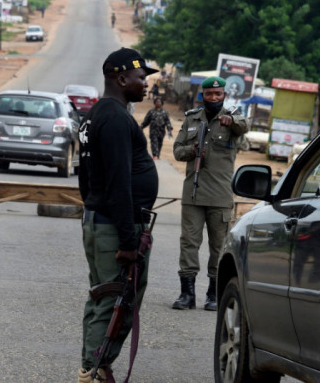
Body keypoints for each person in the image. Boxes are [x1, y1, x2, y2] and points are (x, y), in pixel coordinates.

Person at [77, 47, 159, 382]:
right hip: (115, 227)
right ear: (122, 77)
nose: (145, 85)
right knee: (115, 304)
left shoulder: (100, 114)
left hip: (103, 220)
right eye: (142, 78)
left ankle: (92, 368)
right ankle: (94, 372)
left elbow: (86, 179)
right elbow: (118, 183)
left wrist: (94, 207)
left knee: (102, 298)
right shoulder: (113, 118)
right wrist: (128, 240)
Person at [171, 76, 249, 311]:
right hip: (193, 192)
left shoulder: (233, 118)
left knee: (219, 246)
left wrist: (230, 120)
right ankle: (187, 294)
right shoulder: (192, 119)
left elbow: (244, 126)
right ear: (202, 96)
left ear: (224, 95)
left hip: (220, 195)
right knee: (189, 243)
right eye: (209, 94)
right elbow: (176, 150)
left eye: (218, 94)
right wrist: (191, 150)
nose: (213, 98)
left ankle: (213, 294)